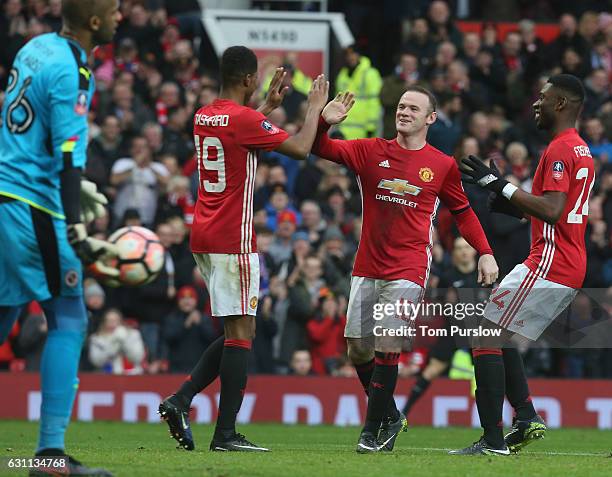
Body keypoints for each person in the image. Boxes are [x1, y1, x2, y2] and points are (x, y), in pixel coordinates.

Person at [158, 45, 329, 452]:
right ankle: (225, 434)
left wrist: (266, 107)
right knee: (240, 333)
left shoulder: (204, 115)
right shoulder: (245, 119)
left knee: (242, 329)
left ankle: (181, 399)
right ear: (249, 79)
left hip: (203, 233)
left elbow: (236, 134)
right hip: (232, 238)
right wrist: (315, 109)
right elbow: (302, 149)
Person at [313, 86, 499, 453]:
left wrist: (485, 251)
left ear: (431, 118)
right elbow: (320, 148)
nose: (404, 112)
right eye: (401, 106)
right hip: (367, 264)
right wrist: (323, 123)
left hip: (409, 265)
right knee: (358, 349)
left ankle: (371, 432)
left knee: (387, 342)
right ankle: (392, 415)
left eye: (414, 108)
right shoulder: (370, 151)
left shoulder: (442, 164)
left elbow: (462, 212)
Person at [0, 1, 121, 475]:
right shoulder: (74, 69)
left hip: (5, 190)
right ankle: (49, 457)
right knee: (69, 313)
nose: (119, 17)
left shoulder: (35, 47)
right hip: (34, 204)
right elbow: (70, 149)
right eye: (113, 10)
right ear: (94, 21)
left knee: (5, 314)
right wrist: (73, 221)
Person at [451, 74, 595, 455]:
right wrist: (514, 206)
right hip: (564, 260)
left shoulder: (561, 149)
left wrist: (502, 187)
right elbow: (561, 212)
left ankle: (493, 441)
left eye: (543, 97)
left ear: (560, 104)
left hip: (551, 262)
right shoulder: (579, 149)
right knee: (498, 335)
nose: (536, 103)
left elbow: (551, 210)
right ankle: (526, 416)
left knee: (484, 336)